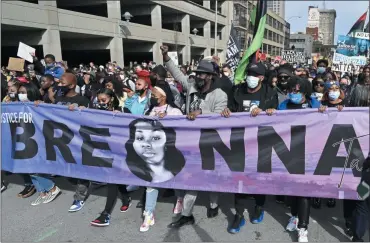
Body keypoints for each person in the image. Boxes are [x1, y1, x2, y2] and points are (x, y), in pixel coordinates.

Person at [162, 45, 228, 228]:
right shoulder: (191, 86)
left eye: (202, 74)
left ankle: (214, 203)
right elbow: (177, 74)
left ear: (211, 77)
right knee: (192, 178)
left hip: (210, 142)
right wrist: (165, 56)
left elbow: (220, 118)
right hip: (190, 142)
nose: (198, 77)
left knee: (212, 176)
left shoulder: (219, 95)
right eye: (197, 74)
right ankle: (186, 214)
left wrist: (202, 111)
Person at [220, 62, 278, 234]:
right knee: (239, 178)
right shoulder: (237, 91)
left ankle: (259, 206)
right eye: (248, 74)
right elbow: (230, 107)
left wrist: (267, 110)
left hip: (261, 142)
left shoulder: (269, 92)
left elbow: (277, 114)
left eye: (254, 74)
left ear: (261, 78)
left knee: (260, 177)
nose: (249, 77)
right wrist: (227, 111)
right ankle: (238, 214)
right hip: (240, 141)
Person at [126, 93, 185, 231]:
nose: (153, 97)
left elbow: (182, 128)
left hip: (169, 150)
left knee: (175, 176)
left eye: (156, 95)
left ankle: (180, 198)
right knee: (151, 182)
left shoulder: (174, 111)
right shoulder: (149, 110)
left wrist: (168, 120)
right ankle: (149, 213)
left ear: (164, 96)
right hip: (151, 154)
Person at [277, 77, 320, 243]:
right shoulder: (284, 105)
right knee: (293, 189)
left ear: (304, 91)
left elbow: (328, 121)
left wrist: (328, 112)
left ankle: (303, 228)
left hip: (309, 153)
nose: (293, 93)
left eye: (297, 90)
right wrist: (270, 113)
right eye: (291, 90)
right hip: (290, 152)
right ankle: (294, 217)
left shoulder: (313, 104)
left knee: (304, 191)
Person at [87, 88, 131, 226]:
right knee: (115, 179)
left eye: (103, 100)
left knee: (112, 180)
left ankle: (105, 214)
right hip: (105, 151)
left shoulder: (123, 111)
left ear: (111, 98)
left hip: (120, 151)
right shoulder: (97, 112)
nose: (100, 103)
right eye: (99, 100)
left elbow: (134, 126)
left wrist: (121, 118)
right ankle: (125, 197)